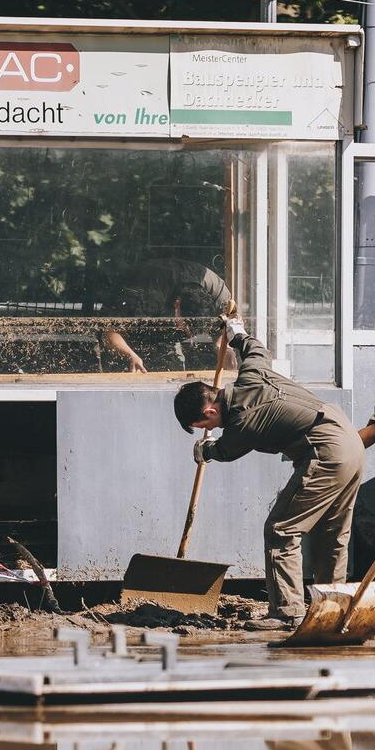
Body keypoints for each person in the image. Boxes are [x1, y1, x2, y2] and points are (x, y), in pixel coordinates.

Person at [173, 318, 365, 629]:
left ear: (209, 411)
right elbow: (256, 350)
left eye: (204, 426)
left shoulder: (240, 420)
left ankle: (286, 612)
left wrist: (203, 450)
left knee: (280, 529)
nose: (208, 430)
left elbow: (227, 450)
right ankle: (333, 612)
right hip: (349, 442)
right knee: (331, 535)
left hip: (325, 452)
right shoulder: (252, 373)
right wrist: (238, 335)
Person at [101, 258, 239, 373]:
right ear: (177, 305)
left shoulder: (218, 293)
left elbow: (232, 320)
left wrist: (223, 347)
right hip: (138, 308)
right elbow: (109, 332)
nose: (188, 334)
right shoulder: (142, 296)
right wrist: (130, 355)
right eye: (185, 326)